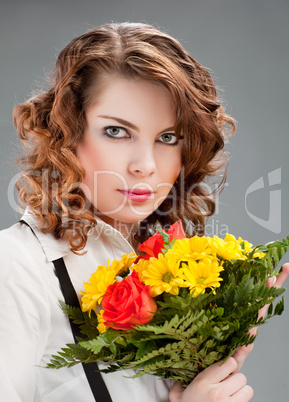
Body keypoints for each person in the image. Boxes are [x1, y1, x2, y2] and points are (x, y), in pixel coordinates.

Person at [0, 22, 288, 402]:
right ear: (66, 132)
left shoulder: (170, 268)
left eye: (168, 138)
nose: (146, 165)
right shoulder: (14, 266)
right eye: (117, 131)